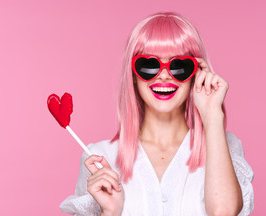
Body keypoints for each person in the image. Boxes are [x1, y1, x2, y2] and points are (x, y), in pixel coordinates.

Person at [60, 12, 254, 216]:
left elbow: (224, 213)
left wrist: (212, 115)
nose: (163, 76)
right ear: (133, 75)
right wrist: (109, 212)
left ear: (196, 74)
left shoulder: (223, 147)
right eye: (149, 65)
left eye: (179, 66)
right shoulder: (98, 158)